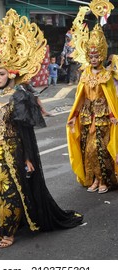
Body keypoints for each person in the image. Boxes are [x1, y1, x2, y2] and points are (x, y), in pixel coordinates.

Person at [0, 9, 83, 249]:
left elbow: (26, 130)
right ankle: (6, 222)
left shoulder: (19, 95)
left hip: (14, 150)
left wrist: (28, 157)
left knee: (10, 191)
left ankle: (8, 230)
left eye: (1, 73)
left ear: (12, 73)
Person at [67, 19, 118, 194]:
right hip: (87, 116)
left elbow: (112, 97)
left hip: (103, 117)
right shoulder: (85, 74)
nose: (94, 59)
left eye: (97, 56)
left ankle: (104, 179)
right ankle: (94, 179)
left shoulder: (107, 75)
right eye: (91, 56)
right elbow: (80, 96)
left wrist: (112, 114)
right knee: (88, 150)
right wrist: (73, 116)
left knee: (101, 149)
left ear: (102, 55)